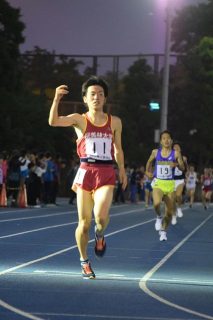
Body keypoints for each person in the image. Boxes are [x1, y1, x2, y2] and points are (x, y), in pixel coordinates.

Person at [49, 76, 127, 279]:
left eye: (101, 94)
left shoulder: (115, 122)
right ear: (85, 98)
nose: (97, 97)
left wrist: (123, 170)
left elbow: (118, 149)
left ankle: (100, 235)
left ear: (105, 98)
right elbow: (54, 121)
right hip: (85, 172)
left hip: (106, 172)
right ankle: (84, 262)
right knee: (84, 223)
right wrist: (56, 99)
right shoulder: (79, 119)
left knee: (100, 217)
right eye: (92, 94)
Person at [145, 130, 184, 241]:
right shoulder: (155, 152)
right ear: (161, 141)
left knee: (169, 212)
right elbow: (148, 162)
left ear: (171, 140)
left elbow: (182, 168)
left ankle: (163, 231)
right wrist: (147, 172)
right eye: (164, 138)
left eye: (168, 138)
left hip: (170, 185)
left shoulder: (176, 153)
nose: (166, 140)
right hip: (158, 183)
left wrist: (176, 164)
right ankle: (158, 217)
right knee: (156, 204)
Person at [172, 142, 188, 224]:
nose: (176, 148)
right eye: (174, 147)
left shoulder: (184, 158)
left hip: (180, 180)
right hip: (172, 180)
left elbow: (185, 169)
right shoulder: (170, 157)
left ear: (180, 149)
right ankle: (174, 216)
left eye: (177, 147)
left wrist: (186, 177)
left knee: (178, 195)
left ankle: (179, 208)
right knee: (173, 199)